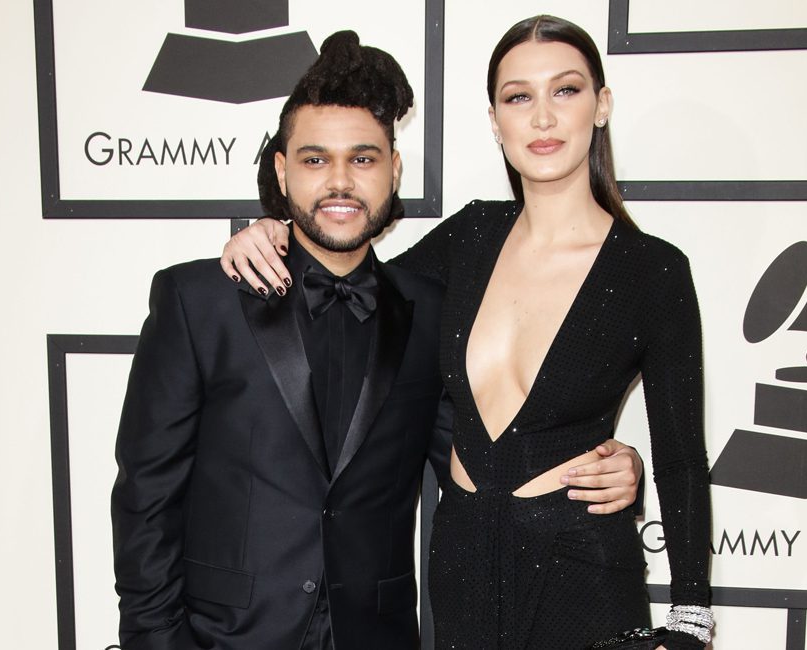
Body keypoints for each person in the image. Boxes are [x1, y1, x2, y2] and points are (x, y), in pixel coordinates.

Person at [112, 29, 643, 650]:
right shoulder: (199, 301)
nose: (340, 181)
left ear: (393, 169)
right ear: (281, 172)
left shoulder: (431, 310)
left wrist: (610, 468)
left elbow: (484, 462)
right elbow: (146, 496)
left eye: (363, 159)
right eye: (315, 159)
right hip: (223, 638)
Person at [219, 15, 713, 650]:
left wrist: (690, 621)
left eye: (565, 91)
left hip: (585, 576)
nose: (542, 118)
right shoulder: (469, 238)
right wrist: (272, 231)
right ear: (494, 120)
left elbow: (681, 456)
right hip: (461, 570)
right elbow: (348, 289)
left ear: (601, 105)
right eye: (518, 97)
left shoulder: (652, 270)